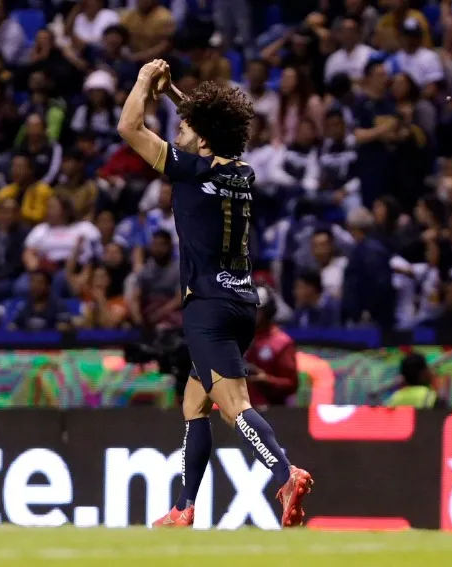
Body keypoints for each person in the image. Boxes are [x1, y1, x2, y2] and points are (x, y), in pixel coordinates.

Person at [117, 59, 312, 529]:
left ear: (201, 139)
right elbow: (213, 131)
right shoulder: (241, 172)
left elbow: (128, 126)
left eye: (184, 127)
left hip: (206, 306)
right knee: (194, 402)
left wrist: (146, 82)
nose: (179, 132)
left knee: (234, 405)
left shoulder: (187, 170)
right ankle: (184, 507)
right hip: (244, 303)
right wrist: (174, 94)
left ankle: (285, 473)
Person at [243, 286, 299, 407]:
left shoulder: (281, 342)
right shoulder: (238, 339)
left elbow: (291, 384)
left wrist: (267, 381)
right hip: (240, 411)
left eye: (256, 310)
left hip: (271, 413)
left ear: (268, 310)